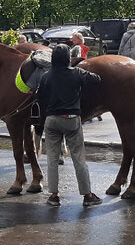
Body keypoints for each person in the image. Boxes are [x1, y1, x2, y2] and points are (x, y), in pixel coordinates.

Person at [37, 44, 103, 207]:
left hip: (51, 120)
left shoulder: (46, 76)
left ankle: (53, 196)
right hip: (72, 119)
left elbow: (41, 99)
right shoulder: (76, 73)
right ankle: (87, 195)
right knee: (78, 158)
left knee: (52, 159)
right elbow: (97, 79)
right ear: (68, 58)